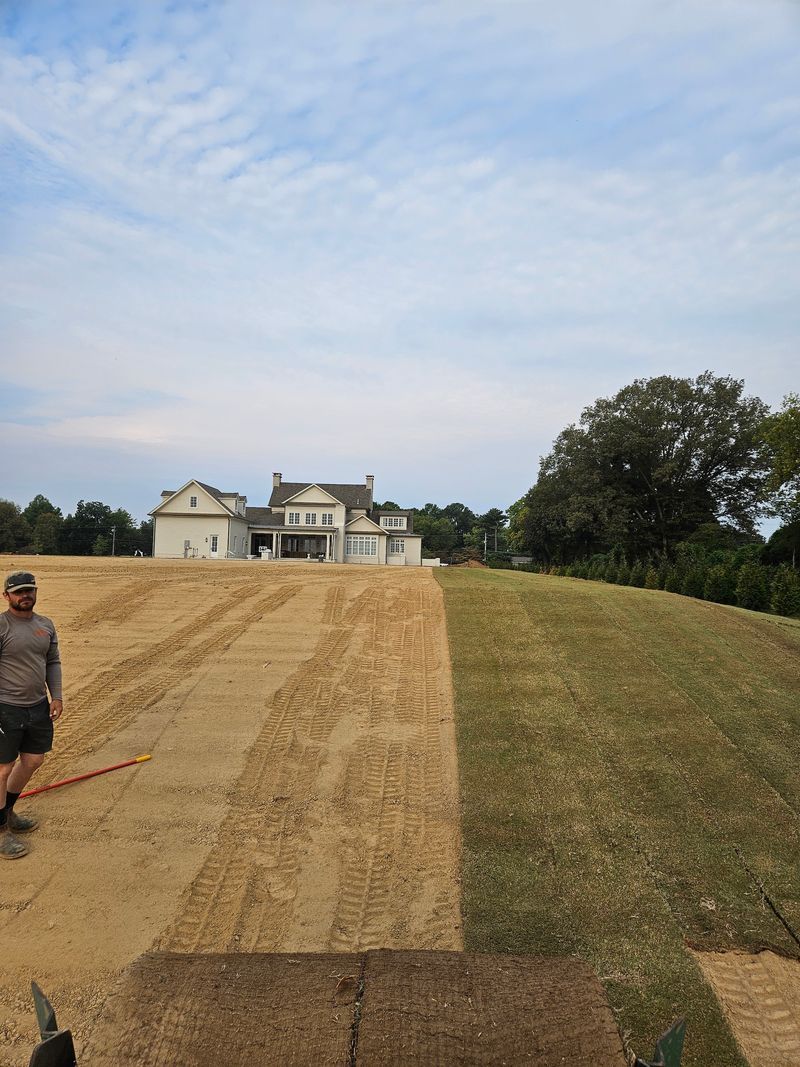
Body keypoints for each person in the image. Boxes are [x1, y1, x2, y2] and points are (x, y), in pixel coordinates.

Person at [0, 571, 63, 859]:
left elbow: (52, 662)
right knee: (2, 769)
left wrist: (57, 695)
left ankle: (8, 812)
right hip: (6, 708)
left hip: (37, 706)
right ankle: (1, 832)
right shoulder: (1, 626)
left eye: (29, 591)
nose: (25, 596)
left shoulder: (45, 625)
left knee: (34, 760)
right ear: (7, 596)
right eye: (19, 592)